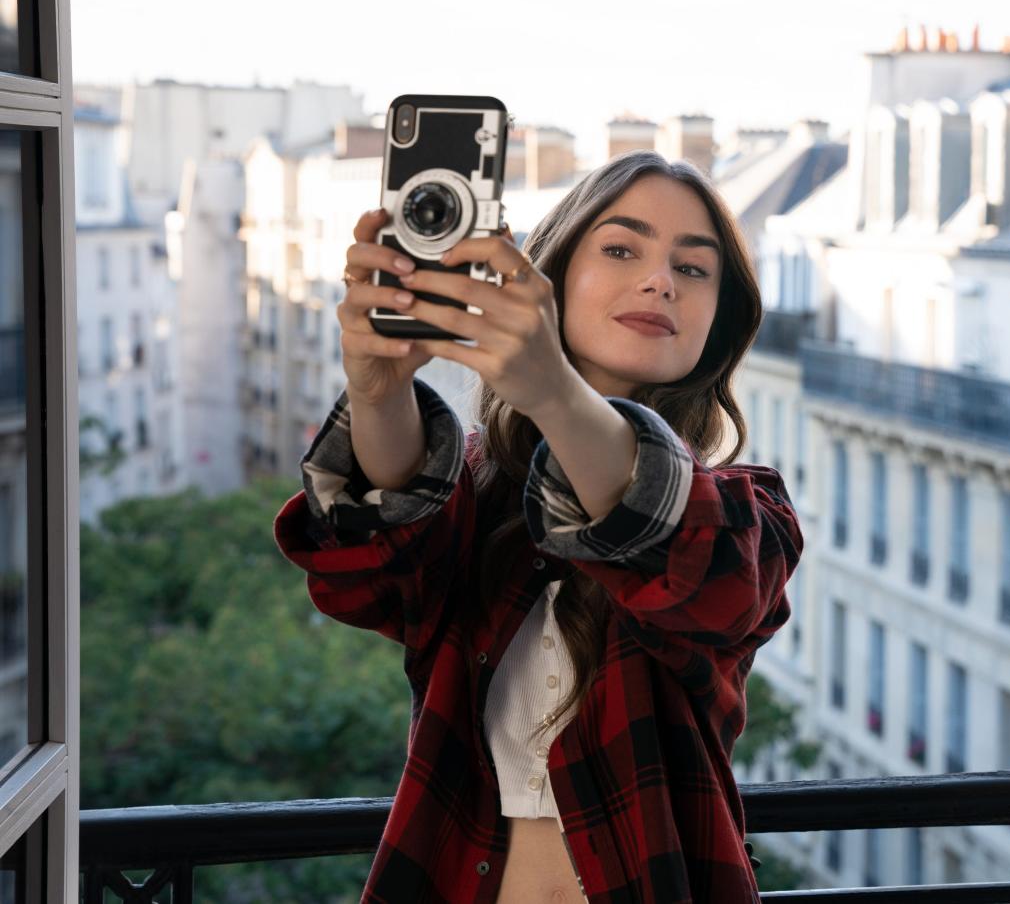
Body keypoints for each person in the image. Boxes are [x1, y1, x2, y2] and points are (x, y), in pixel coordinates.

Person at [272, 149, 804, 903]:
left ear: (719, 325)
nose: (660, 281)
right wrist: (378, 390)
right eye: (621, 249)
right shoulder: (476, 495)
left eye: (694, 270)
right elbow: (364, 573)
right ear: (550, 277)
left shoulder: (748, 512)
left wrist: (552, 387)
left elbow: (699, 569)